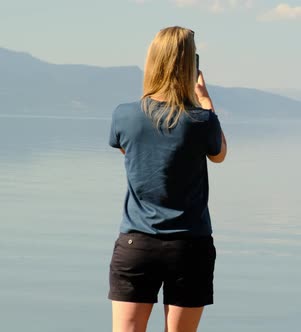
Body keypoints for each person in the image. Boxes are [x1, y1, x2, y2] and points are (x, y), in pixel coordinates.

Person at [107, 26, 227, 332]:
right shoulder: (202, 120)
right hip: (189, 245)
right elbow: (219, 154)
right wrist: (204, 99)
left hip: (137, 243)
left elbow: (131, 155)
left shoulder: (124, 115)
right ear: (191, 67)